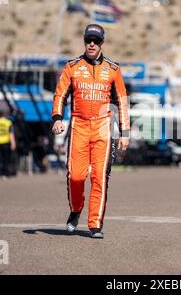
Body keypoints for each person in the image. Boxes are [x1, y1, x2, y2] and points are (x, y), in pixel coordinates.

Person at [51, 24, 130, 239]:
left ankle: (95, 223)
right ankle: (76, 209)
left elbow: (122, 101)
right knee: (76, 176)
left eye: (96, 40)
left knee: (99, 176)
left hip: (103, 127)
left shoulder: (113, 69)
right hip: (79, 125)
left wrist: (125, 133)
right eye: (88, 40)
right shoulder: (72, 67)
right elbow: (59, 95)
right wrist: (57, 118)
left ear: (102, 43)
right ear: (84, 42)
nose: (92, 44)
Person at [0, 110, 16, 179]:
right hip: (5, 142)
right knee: (5, 159)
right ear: (6, 116)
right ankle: (5, 174)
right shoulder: (8, 123)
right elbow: (11, 134)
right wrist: (13, 143)